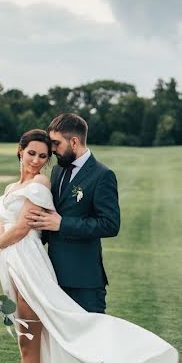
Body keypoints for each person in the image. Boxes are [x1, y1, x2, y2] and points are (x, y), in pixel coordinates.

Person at [0, 128, 178, 363]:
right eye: (33, 153)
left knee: (30, 348)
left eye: (44, 154)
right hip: (11, 269)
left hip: (29, 267)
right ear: (19, 151)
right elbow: (3, 228)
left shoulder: (42, 183)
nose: (39, 159)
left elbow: (19, 229)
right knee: (32, 346)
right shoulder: (15, 186)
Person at [27, 113, 118, 314]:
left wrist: (63, 224)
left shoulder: (102, 175)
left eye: (56, 143)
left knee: (90, 342)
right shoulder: (58, 170)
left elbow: (110, 224)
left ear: (74, 141)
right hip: (52, 277)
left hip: (84, 282)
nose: (52, 149)